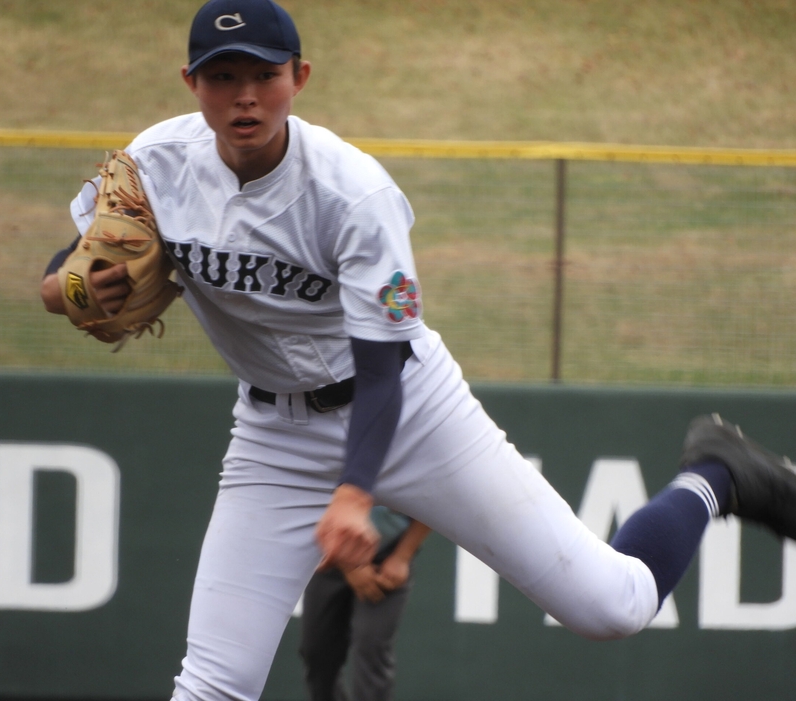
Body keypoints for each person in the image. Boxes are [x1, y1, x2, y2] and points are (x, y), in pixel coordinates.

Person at [40, 1, 796, 699]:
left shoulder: (352, 193)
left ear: (299, 78)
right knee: (211, 681)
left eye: (265, 75)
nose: (245, 95)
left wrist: (354, 490)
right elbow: (65, 268)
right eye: (222, 75)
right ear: (190, 82)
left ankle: (717, 474)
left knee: (613, 605)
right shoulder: (157, 161)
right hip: (274, 435)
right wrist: (72, 290)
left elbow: (382, 362)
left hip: (410, 412)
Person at [299, 508, 431, 701]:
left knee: (371, 648)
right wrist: (351, 566)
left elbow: (430, 502)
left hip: (389, 561)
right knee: (316, 652)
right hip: (331, 556)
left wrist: (402, 557)